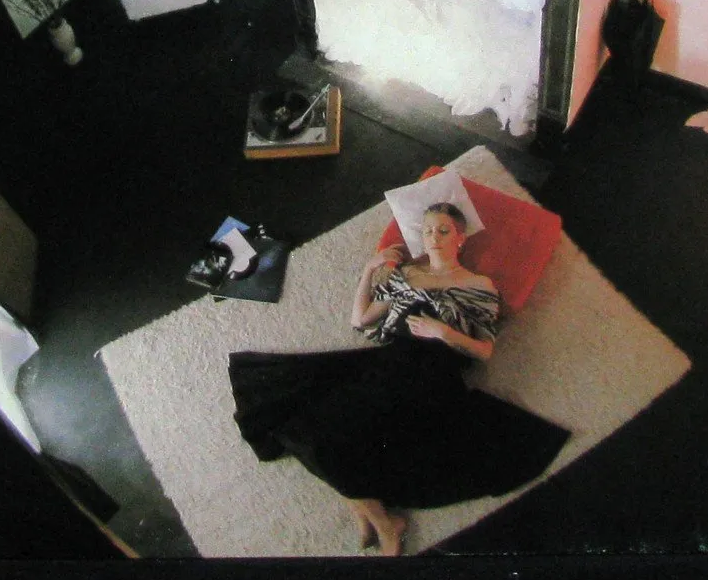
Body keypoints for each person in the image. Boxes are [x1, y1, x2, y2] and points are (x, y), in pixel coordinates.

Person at [228, 202, 570, 556]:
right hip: (387, 363)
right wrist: (369, 270)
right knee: (301, 429)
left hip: (433, 373)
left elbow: (484, 350)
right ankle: (382, 520)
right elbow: (360, 320)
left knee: (344, 438)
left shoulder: (478, 285)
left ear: (460, 238)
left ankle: (371, 513)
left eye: (443, 231)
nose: (434, 237)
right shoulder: (406, 275)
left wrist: (442, 332)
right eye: (428, 231)